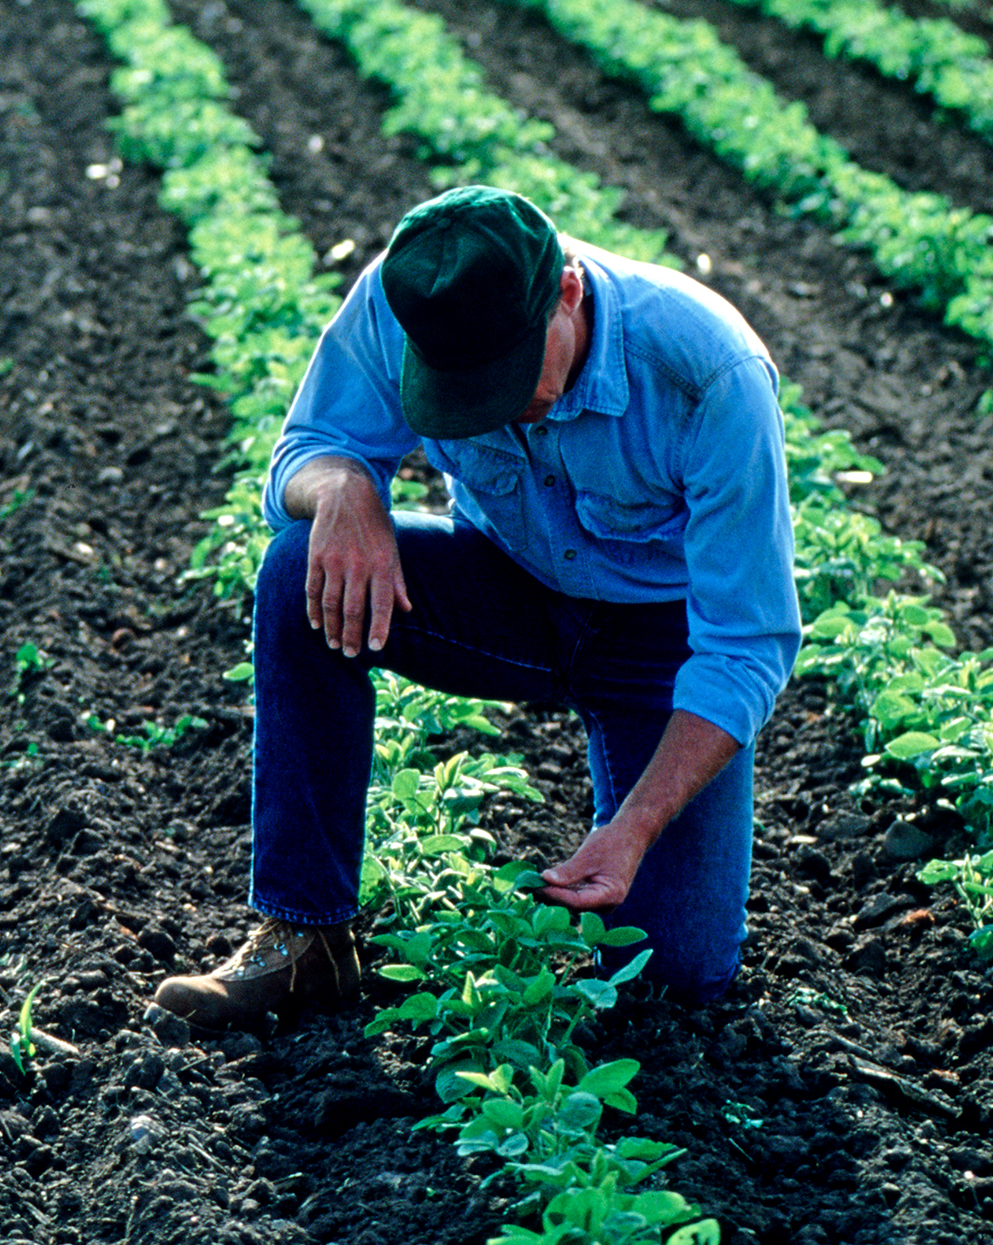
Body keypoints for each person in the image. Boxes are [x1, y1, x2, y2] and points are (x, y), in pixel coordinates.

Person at [153, 185, 800, 1027]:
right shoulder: (412, 299)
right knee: (293, 572)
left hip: (659, 641)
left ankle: (651, 890)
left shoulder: (706, 373)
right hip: (505, 592)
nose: (493, 409)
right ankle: (302, 938)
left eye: (510, 383)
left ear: (567, 291)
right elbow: (308, 451)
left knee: (671, 979)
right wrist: (345, 487)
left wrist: (637, 826)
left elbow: (747, 644)